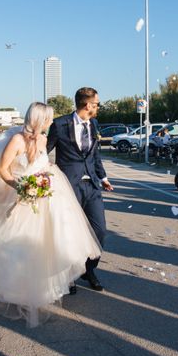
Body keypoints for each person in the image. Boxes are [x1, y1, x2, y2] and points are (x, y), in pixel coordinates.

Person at [0, 102, 101, 328]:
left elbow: (45, 166)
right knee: (19, 246)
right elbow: (3, 170)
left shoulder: (43, 140)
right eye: (48, 119)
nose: (51, 122)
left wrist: (45, 181)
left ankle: (45, 289)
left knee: (50, 243)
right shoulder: (17, 141)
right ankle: (16, 288)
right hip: (23, 197)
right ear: (38, 119)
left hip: (47, 197)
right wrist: (22, 186)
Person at [47, 87, 114, 292]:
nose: (98, 107)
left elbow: (94, 155)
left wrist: (103, 177)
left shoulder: (93, 123)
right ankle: (69, 275)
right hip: (68, 186)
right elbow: (45, 150)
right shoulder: (60, 124)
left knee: (99, 230)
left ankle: (88, 268)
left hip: (92, 185)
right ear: (88, 105)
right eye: (97, 104)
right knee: (69, 233)